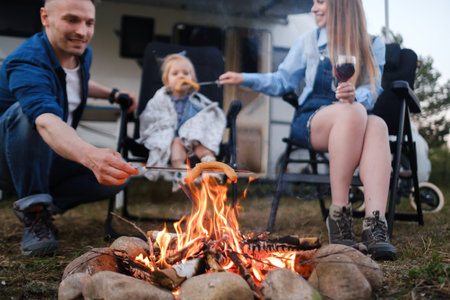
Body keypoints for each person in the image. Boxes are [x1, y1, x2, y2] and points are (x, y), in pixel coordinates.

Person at [219, 0, 396, 260]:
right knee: (354, 111)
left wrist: (354, 94)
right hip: (313, 119)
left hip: (355, 116)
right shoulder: (308, 41)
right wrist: (244, 78)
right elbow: (282, 81)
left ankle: (375, 225)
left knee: (377, 123)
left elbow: (373, 89)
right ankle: (339, 214)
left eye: (320, 1)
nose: (313, 8)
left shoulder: (373, 44)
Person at [0, 0, 140, 257]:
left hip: (47, 157)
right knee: (27, 113)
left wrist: (113, 93)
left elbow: (76, 80)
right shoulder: (26, 61)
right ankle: (34, 215)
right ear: (45, 17)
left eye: (89, 23)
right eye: (71, 20)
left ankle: (45, 205)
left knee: (118, 175)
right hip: (8, 161)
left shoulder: (81, 53)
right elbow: (44, 119)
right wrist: (90, 156)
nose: (83, 32)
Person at [137, 53, 226, 191]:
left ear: (193, 78)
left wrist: (199, 127)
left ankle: (210, 168)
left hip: (192, 138)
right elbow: (152, 116)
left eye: (186, 73)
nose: (181, 76)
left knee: (202, 145)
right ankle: (181, 171)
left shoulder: (196, 100)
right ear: (167, 81)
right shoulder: (161, 99)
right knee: (177, 143)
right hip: (174, 137)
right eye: (175, 74)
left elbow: (206, 117)